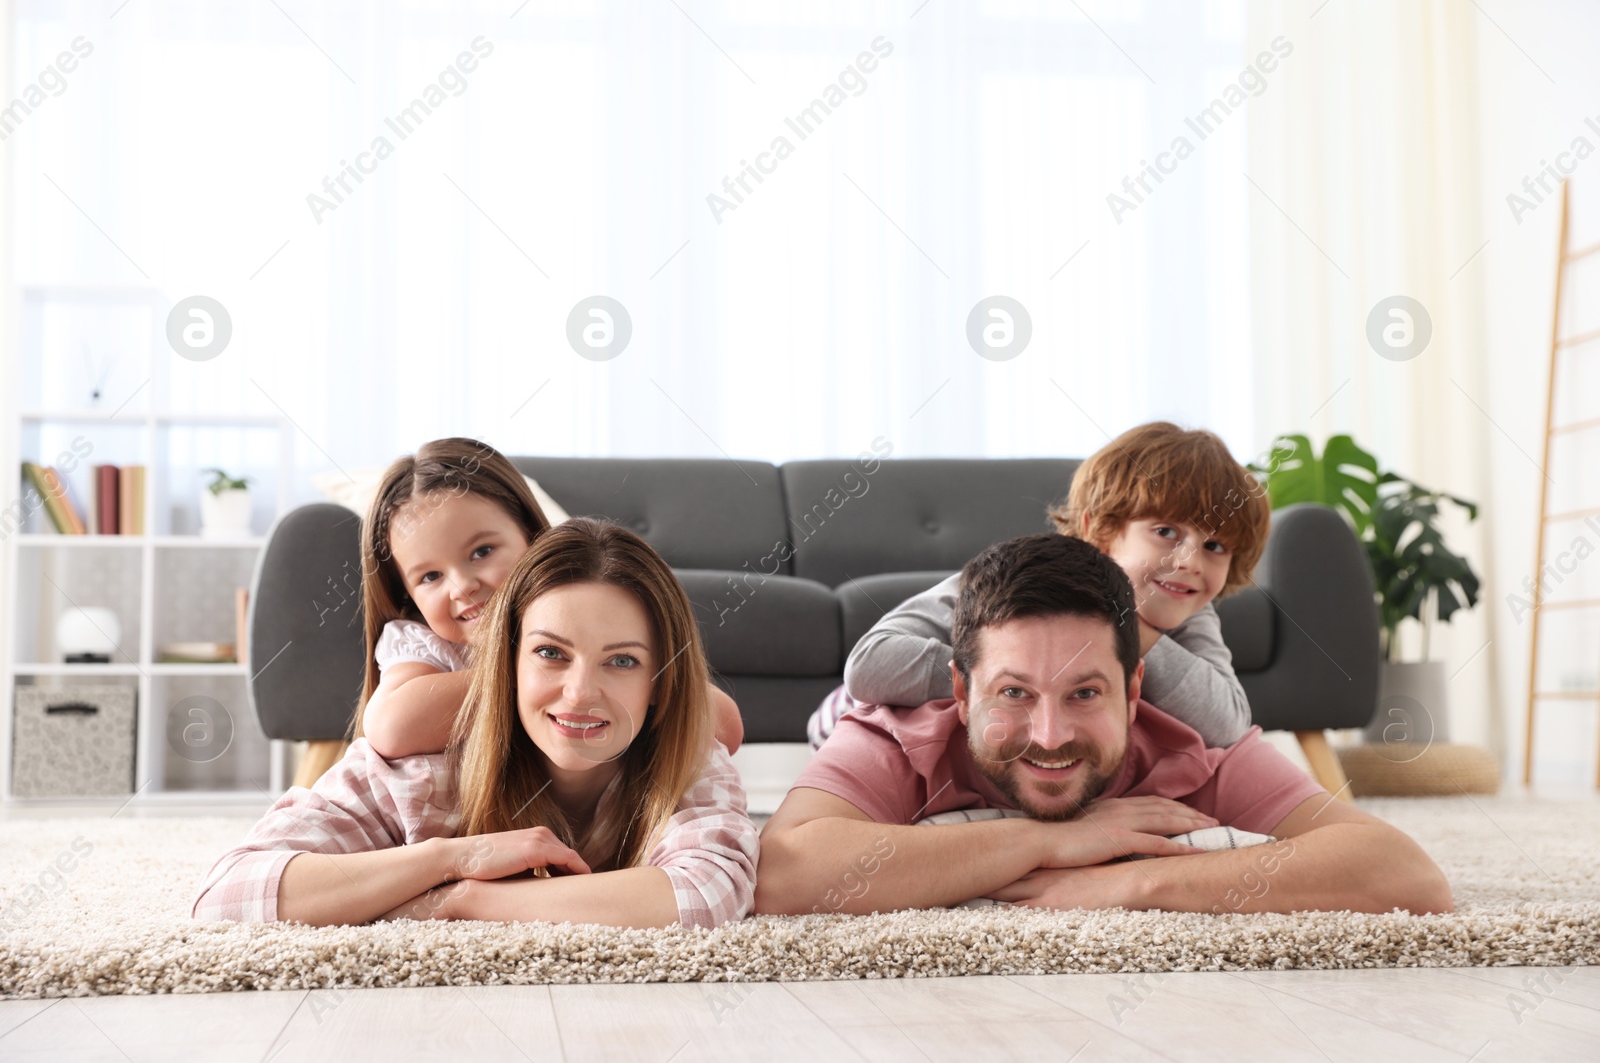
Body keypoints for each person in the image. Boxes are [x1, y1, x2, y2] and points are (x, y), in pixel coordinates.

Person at [757, 533, 1452, 917]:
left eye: (1086, 692)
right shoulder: (900, 728)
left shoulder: (1188, 744)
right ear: (962, 694)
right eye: (1014, 693)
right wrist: (1054, 841)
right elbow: (782, 873)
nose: (1051, 733)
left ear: (1133, 692)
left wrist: (1127, 883)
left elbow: (1405, 874)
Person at [193, 518, 758, 929]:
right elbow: (229, 893)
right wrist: (453, 857)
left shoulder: (689, 758)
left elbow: (706, 896)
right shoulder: (422, 766)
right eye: (550, 654)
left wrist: (460, 900)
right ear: (503, 663)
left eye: (622, 661)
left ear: (661, 683)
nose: (581, 693)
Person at [808, 422, 1267, 750]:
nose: (1189, 562)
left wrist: (1125, 625)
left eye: (1214, 546)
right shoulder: (1020, 577)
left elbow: (1226, 724)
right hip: (847, 711)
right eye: (1166, 532)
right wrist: (1009, 681)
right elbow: (869, 667)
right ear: (1097, 531)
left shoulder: (1190, 610)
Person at [354, 437, 744, 758]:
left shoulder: (582, 619)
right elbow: (391, 729)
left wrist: (635, 681)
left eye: (482, 552)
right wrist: (523, 675)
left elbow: (726, 726)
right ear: (407, 594)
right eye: (431, 576)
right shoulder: (424, 646)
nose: (461, 587)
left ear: (532, 536)